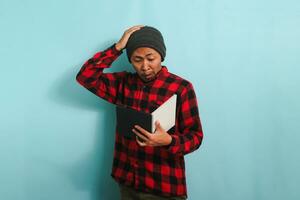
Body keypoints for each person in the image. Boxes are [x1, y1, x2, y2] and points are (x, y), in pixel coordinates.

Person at [76, 25, 204, 200]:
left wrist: (168, 140)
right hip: (128, 182)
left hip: (163, 185)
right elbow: (85, 77)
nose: (145, 66)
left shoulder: (181, 88)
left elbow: (195, 136)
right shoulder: (122, 83)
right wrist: (117, 48)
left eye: (151, 58)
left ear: (161, 56)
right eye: (137, 59)